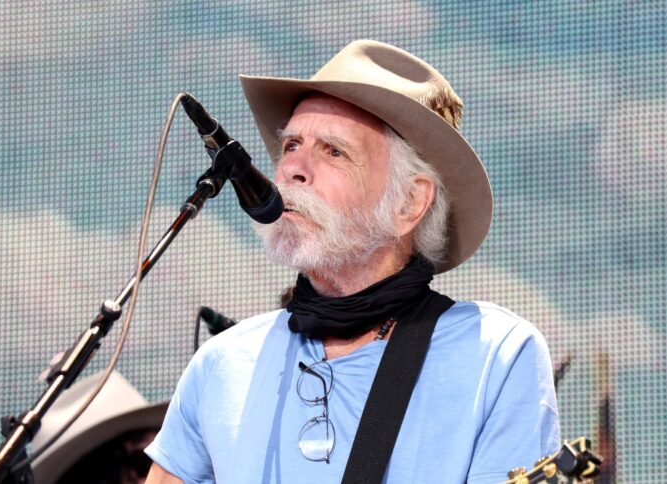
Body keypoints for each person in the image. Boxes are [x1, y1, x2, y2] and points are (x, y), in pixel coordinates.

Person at [144, 40, 560, 483]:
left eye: (334, 151)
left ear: (408, 202)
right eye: (291, 145)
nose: (293, 169)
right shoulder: (221, 363)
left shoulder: (494, 354)